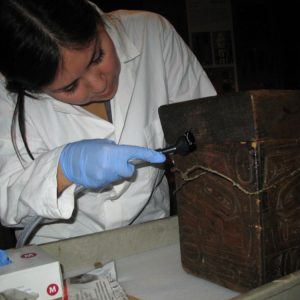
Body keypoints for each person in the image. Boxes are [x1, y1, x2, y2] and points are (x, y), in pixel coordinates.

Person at [0, 0, 216, 245]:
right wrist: (63, 170)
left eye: (97, 56)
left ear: (97, 21)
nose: (101, 84)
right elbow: (6, 203)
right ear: (32, 88)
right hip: (58, 252)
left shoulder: (151, 34)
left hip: (152, 238)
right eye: (70, 87)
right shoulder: (5, 93)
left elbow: (209, 134)